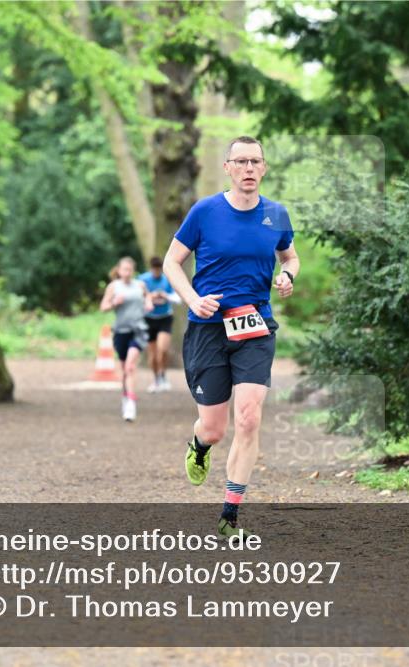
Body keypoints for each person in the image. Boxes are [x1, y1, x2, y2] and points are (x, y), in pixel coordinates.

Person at [162, 135, 299, 539]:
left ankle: (229, 514)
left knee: (250, 417)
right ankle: (199, 445)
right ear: (227, 168)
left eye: (256, 161)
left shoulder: (276, 214)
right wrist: (191, 297)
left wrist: (287, 274)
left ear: (265, 167)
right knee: (215, 428)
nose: (249, 169)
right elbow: (172, 261)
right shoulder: (205, 211)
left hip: (255, 327)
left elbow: (290, 255)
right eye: (241, 162)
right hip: (208, 329)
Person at [99, 256, 154, 422]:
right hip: (121, 332)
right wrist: (114, 302)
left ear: (133, 271)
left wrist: (149, 303)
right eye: (124, 270)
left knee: (130, 366)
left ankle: (131, 403)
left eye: (130, 270)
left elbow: (148, 296)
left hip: (138, 330)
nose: (127, 273)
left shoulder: (140, 285)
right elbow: (103, 307)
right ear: (119, 270)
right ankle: (126, 397)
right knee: (125, 369)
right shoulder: (113, 287)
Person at [138, 256, 181, 393]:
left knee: (162, 350)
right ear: (150, 269)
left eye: (158, 270)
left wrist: (165, 296)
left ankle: (163, 375)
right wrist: (149, 297)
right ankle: (156, 379)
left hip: (165, 318)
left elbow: (178, 298)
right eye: (154, 270)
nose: (156, 273)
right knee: (152, 354)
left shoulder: (167, 279)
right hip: (148, 319)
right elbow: (137, 297)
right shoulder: (143, 280)